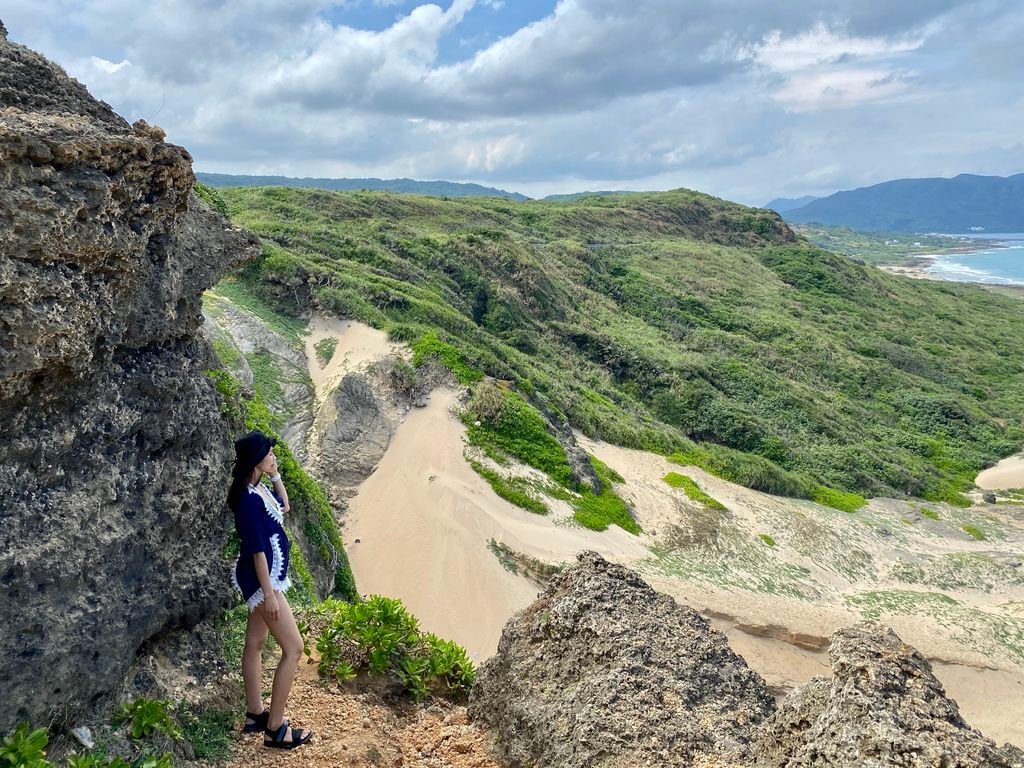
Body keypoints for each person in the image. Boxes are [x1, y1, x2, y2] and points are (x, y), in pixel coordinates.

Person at [227, 430, 313, 750]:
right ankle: (275, 729)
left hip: (264, 579)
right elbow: (257, 549)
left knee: (255, 642)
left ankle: (255, 714)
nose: (274, 455)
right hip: (263, 580)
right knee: (294, 648)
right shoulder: (248, 501)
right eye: (269, 453)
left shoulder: (257, 489)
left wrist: (275, 475)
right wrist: (270, 594)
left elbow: (285, 505)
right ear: (255, 460)